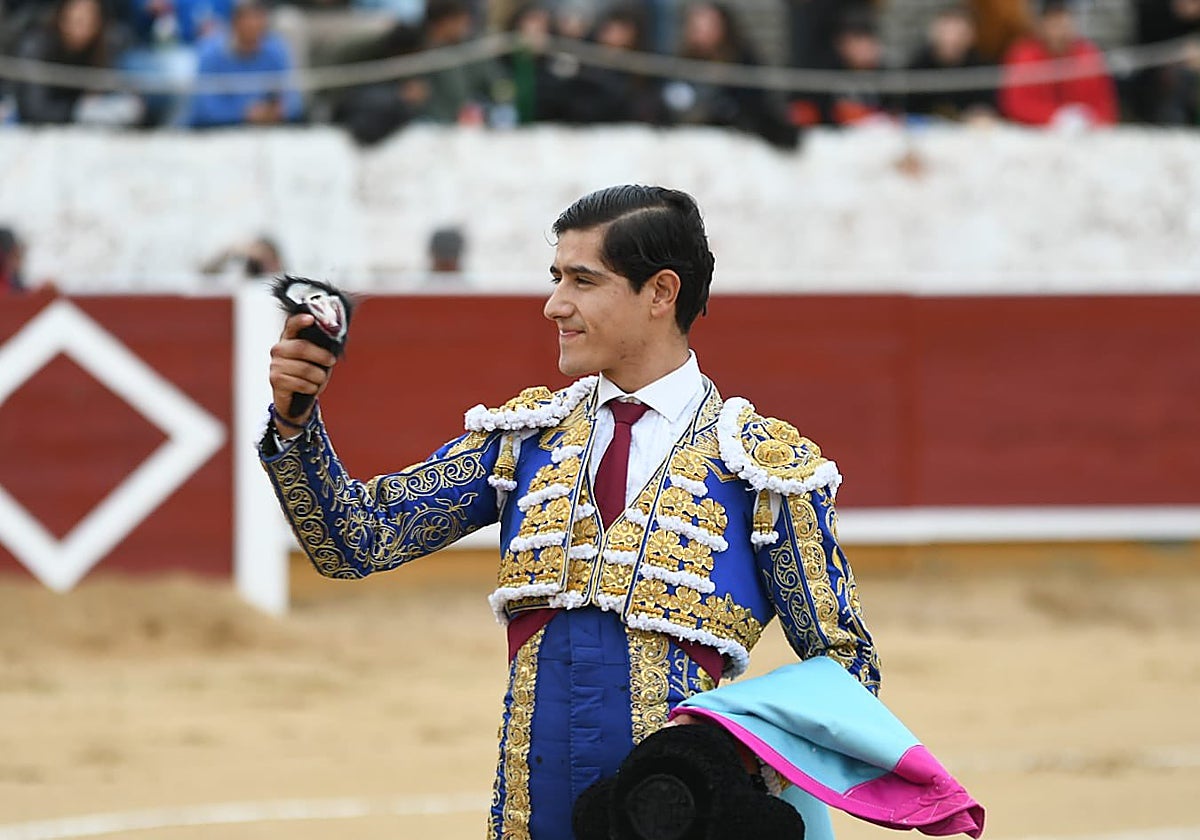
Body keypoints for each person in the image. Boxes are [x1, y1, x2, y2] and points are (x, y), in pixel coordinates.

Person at [259, 185, 882, 839]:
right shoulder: (524, 440)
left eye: (583, 281)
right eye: (556, 277)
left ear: (661, 293)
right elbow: (355, 542)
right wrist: (296, 423)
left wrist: (735, 747)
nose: (555, 304)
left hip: (684, 822)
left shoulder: (762, 468)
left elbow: (845, 665)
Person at [663, 2, 799, 148]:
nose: (702, 31)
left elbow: (755, 108)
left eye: (709, 25)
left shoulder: (742, 61)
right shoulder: (680, 63)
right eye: (697, 26)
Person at [14, 0, 137, 125]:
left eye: (89, 20)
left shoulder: (105, 47)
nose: (82, 26)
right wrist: (77, 110)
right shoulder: (36, 46)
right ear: (62, 17)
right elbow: (33, 109)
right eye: (77, 20)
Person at [998, 0, 1118, 127]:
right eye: (1054, 24)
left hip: (1085, 134)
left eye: (1065, 22)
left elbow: (1106, 107)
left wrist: (1086, 118)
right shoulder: (1023, 55)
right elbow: (1015, 104)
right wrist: (1055, 116)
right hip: (1035, 132)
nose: (1061, 31)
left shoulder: (1089, 55)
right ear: (1041, 25)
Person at [188, 0, 303, 128]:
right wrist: (244, 114)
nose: (252, 26)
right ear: (234, 23)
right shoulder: (210, 52)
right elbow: (203, 107)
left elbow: (293, 100)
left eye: (257, 19)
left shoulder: (276, 50)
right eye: (247, 20)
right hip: (215, 133)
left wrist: (275, 111)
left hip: (267, 130)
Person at [904, 5, 997, 121]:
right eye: (946, 31)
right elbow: (908, 110)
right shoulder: (918, 66)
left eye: (958, 33)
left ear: (970, 36)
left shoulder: (981, 68)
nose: (951, 38)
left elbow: (986, 109)